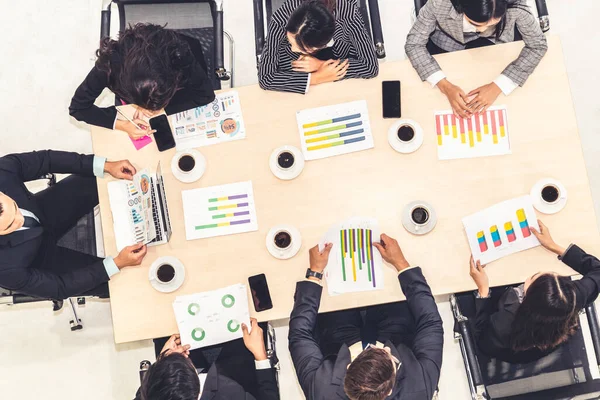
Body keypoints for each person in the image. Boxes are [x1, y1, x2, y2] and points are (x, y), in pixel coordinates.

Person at [289, 234, 444, 399]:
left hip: (339, 340)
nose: (386, 347)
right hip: (396, 333)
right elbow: (430, 323)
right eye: (389, 356)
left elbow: (299, 335)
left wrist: (314, 273)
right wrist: (401, 263)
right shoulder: (420, 388)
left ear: (348, 368)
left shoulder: (322, 391)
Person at [0, 150, 148, 300]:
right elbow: (59, 287)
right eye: (11, 225)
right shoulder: (4, 269)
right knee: (126, 282)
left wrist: (106, 166)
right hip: (42, 260)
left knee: (110, 175)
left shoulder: (2, 172)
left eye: (15, 207)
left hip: (45, 209)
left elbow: (46, 160)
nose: (21, 219)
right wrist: (116, 263)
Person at [469, 220, 600, 364]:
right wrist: (554, 246)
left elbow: (483, 343)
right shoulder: (572, 296)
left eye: (534, 277)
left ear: (525, 295)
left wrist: (483, 291)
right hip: (549, 337)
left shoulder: (506, 320)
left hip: (512, 346)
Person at [69, 23, 215, 140]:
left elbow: (206, 95)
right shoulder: (109, 66)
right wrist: (122, 125)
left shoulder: (179, 55)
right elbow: (78, 108)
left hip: (178, 97)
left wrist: (159, 109)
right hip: (135, 101)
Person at [405, 0, 547, 117]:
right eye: (475, 24)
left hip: (496, 48)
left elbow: (538, 45)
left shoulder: (515, 4)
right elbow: (414, 44)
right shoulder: (440, 3)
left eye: (492, 24)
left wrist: (499, 85)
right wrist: (445, 86)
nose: (483, 30)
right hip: (449, 46)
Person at [136, 319, 279, 400]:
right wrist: (261, 356)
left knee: (168, 329)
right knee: (245, 324)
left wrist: (164, 359)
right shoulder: (232, 393)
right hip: (233, 375)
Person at [258, 0, 379, 94]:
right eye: (290, 41)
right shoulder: (282, 17)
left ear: (323, 43)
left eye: (301, 47)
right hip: (295, 74)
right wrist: (316, 78)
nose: (292, 49)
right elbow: (266, 78)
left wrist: (321, 65)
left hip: (339, 77)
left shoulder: (347, 12)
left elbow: (370, 66)